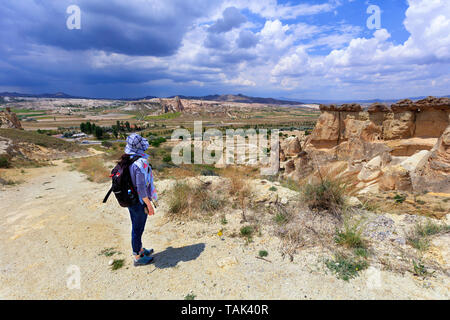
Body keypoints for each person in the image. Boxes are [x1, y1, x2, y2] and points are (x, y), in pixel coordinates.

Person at [122, 133, 158, 266]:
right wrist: (149, 205)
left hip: (131, 199)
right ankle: (137, 257)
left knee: (136, 227)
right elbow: (142, 189)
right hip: (138, 202)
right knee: (137, 229)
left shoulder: (128, 159)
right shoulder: (140, 163)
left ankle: (140, 250)